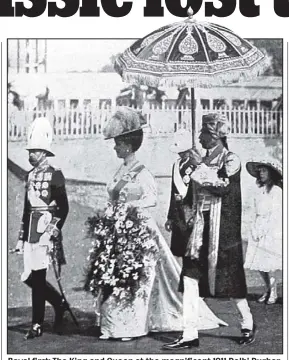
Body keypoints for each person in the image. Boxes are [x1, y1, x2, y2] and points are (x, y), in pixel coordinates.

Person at [95, 107, 227, 341]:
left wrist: (130, 207)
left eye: (118, 144)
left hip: (137, 229)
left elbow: (152, 198)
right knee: (115, 274)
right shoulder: (119, 170)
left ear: (127, 145)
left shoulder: (141, 172)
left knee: (136, 276)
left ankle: (132, 326)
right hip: (118, 227)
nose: (115, 148)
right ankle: (112, 325)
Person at [163, 113, 256, 350]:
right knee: (190, 277)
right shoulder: (199, 159)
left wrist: (200, 166)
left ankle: (247, 323)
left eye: (203, 133)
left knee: (230, 281)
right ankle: (189, 333)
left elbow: (221, 187)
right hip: (199, 227)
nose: (200, 137)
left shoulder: (231, 160)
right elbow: (191, 193)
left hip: (222, 229)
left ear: (215, 136)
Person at [14, 117, 69, 340]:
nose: (30, 155)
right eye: (30, 151)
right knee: (28, 276)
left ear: (44, 153)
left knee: (38, 276)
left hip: (46, 230)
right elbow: (26, 210)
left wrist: (51, 232)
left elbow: (63, 208)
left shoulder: (56, 175)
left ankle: (37, 323)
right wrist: (20, 238)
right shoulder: (29, 176)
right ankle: (59, 302)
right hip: (30, 232)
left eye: (35, 151)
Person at [244, 159, 282, 304]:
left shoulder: (277, 191)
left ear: (271, 173)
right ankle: (267, 289)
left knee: (269, 263)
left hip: (272, 228)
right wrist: (254, 228)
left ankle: (273, 292)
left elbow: (276, 213)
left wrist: (264, 230)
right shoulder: (258, 190)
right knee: (258, 262)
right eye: (259, 171)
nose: (261, 173)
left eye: (264, 171)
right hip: (258, 225)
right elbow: (252, 209)